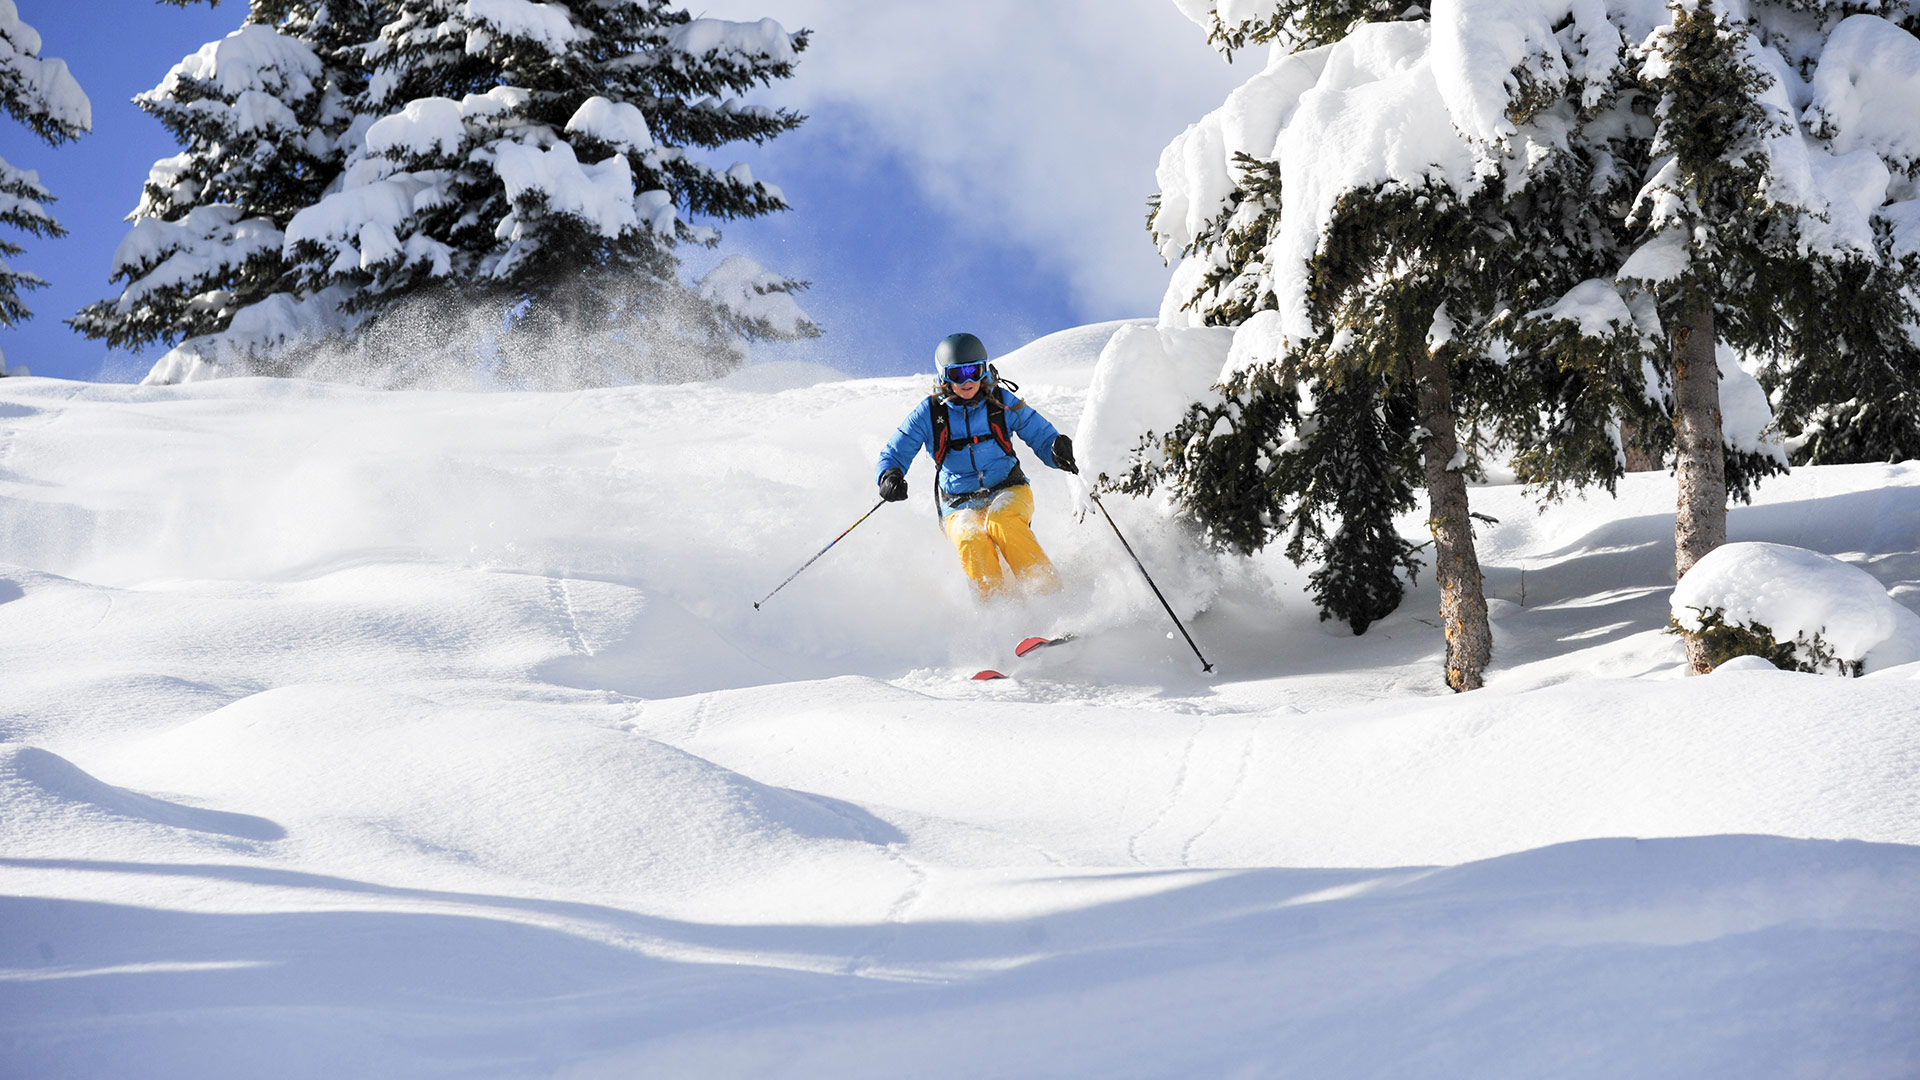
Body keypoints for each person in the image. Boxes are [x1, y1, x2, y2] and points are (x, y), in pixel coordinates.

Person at [875, 332, 1079, 598]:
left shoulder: (1000, 402)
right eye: (958, 375)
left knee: (1003, 522)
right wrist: (890, 475)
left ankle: (1049, 597)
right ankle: (998, 613)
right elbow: (894, 451)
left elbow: (1039, 432)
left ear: (984, 369)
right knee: (970, 536)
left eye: (974, 371)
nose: (968, 381)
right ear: (944, 376)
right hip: (958, 504)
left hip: (1009, 490)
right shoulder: (930, 412)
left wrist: (1056, 450)